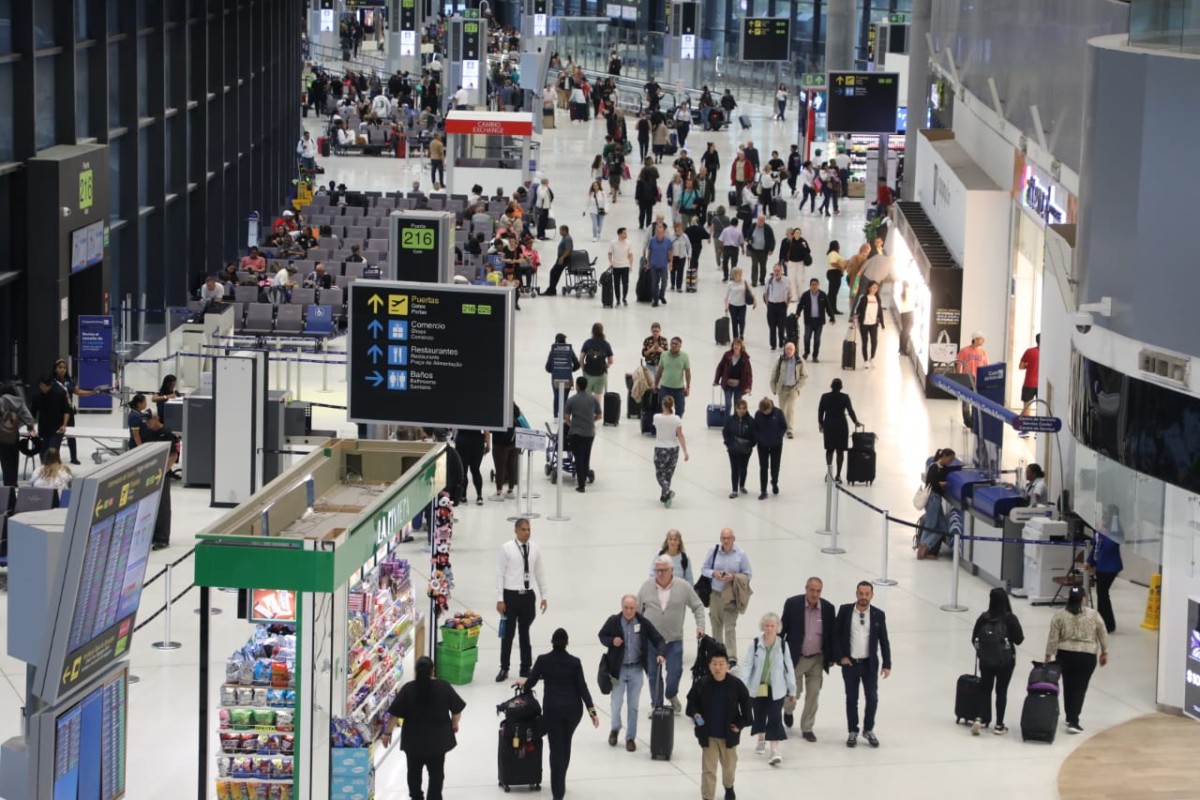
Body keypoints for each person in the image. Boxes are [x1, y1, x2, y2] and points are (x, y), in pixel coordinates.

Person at [518, 629, 600, 800]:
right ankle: (561, 779)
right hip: (573, 711)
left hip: (552, 711)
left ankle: (558, 791)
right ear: (567, 642)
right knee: (565, 744)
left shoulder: (543, 660)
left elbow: (531, 682)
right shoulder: (574, 662)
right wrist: (592, 711)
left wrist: (522, 684)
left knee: (556, 750)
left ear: (552, 642)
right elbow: (582, 688)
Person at [380, 655, 466, 800]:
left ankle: (416, 797)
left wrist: (387, 734)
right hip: (437, 741)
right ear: (433, 670)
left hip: (413, 741)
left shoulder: (408, 689)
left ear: (416, 671)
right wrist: (454, 723)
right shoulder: (443, 686)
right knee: (436, 774)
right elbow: (457, 710)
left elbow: (394, 715)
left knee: (413, 772)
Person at [599, 595, 666, 752]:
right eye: (626, 608)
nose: (628, 611)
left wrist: (661, 653)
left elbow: (659, 639)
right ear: (622, 607)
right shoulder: (614, 621)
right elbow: (602, 635)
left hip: (636, 669)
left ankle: (630, 737)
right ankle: (615, 728)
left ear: (636, 608)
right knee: (616, 702)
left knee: (633, 705)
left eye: (632, 608)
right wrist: (611, 641)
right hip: (618, 670)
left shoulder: (642, 623)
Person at [685, 644, 752, 800]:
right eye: (714, 664)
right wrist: (696, 715)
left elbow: (748, 711)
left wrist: (740, 724)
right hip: (709, 736)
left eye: (721, 664)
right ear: (709, 665)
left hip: (728, 735)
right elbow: (691, 704)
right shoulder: (702, 683)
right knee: (709, 770)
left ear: (728, 666)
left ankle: (729, 787)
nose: (717, 667)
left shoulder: (736, 685)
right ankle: (708, 796)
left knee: (729, 767)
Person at [639, 557, 705, 710]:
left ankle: (671, 694)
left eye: (663, 570)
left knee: (674, 673)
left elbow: (698, 606)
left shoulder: (683, 587)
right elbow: (637, 610)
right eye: (657, 570)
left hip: (674, 639)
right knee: (653, 675)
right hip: (652, 640)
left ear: (672, 570)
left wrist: (700, 625)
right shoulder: (646, 586)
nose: (660, 573)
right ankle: (657, 706)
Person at [834, 581, 892, 748]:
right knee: (852, 699)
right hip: (850, 664)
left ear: (872, 595)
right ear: (856, 593)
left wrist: (887, 664)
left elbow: (884, 640)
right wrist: (841, 657)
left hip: (869, 665)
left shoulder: (878, 615)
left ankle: (868, 729)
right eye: (861, 593)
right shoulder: (845, 611)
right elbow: (836, 636)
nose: (864, 597)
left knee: (872, 698)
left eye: (867, 594)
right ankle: (853, 730)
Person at [1045, 587, 1109, 734]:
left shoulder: (1059, 615)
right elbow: (1102, 632)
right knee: (1080, 687)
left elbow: (1053, 637)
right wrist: (1105, 652)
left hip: (1065, 655)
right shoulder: (1093, 615)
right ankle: (1074, 721)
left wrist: (1048, 655)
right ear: (1083, 599)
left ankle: (1069, 715)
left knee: (1068, 685)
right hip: (1086, 656)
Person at [780, 577, 836, 739]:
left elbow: (831, 635)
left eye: (818, 591)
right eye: (812, 590)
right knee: (792, 695)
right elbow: (783, 629)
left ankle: (807, 728)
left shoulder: (827, 608)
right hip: (797, 659)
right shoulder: (793, 604)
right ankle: (788, 711)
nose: (815, 594)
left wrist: (831, 657)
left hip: (817, 660)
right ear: (806, 589)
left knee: (813, 694)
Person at [495, 518, 550, 682]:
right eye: (523, 530)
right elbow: (499, 574)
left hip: (528, 595)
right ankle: (504, 667)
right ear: (516, 531)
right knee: (508, 634)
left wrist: (543, 595)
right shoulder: (506, 549)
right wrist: (500, 598)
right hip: (510, 595)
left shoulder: (534, 548)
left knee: (524, 632)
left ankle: (526, 667)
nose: (527, 532)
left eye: (529, 529)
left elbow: (539, 571)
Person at [738, 613, 795, 766]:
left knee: (775, 717)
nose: (769, 629)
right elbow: (747, 664)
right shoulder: (756, 643)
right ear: (763, 627)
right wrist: (742, 686)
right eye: (767, 626)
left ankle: (774, 750)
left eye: (772, 626)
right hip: (758, 687)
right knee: (760, 714)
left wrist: (792, 690)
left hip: (777, 689)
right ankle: (761, 738)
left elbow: (788, 668)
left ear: (777, 628)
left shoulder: (783, 645)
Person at [970, 587, 1026, 736]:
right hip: (1005, 661)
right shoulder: (1010, 618)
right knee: (1001, 691)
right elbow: (1019, 639)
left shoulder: (983, 618)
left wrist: (983, 653)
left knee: (985, 688)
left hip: (986, 660)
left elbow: (974, 639)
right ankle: (999, 725)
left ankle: (980, 718)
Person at [701, 528, 752, 660]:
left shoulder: (741, 554)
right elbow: (704, 569)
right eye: (723, 538)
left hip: (731, 596)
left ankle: (731, 657)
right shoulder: (714, 551)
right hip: (715, 594)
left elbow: (748, 574)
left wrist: (734, 577)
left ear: (733, 539)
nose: (726, 541)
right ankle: (718, 654)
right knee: (716, 624)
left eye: (728, 538)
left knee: (730, 627)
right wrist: (714, 573)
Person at [52, 358, 97, 465]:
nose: (62, 370)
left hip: (69, 411)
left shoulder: (70, 380)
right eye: (60, 368)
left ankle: (74, 457)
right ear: (55, 369)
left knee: (72, 435)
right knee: (58, 436)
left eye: (64, 368)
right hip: (58, 413)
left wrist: (92, 392)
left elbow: (78, 391)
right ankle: (55, 458)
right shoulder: (52, 382)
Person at [1088, 505, 1124, 633]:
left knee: (1103, 594)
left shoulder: (1116, 529)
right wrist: (1089, 561)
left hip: (1110, 567)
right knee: (1101, 594)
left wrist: (1104, 533)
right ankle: (1103, 622)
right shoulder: (1102, 527)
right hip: (1101, 565)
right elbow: (1095, 545)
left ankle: (1108, 624)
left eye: (1107, 513)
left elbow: (1111, 546)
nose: (1105, 516)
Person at [562, 376, 601, 494]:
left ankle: (581, 485)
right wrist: (590, 421)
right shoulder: (593, 399)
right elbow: (599, 415)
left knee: (578, 458)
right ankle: (584, 478)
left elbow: (566, 417)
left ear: (577, 386)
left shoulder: (572, 400)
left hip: (577, 433)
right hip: (589, 433)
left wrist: (572, 424)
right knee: (586, 457)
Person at [817, 379, 860, 483]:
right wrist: (855, 421)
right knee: (840, 451)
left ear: (831, 386)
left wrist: (821, 423)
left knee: (829, 450)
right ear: (841, 387)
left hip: (829, 424)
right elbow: (850, 411)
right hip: (841, 425)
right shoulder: (845, 397)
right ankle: (838, 475)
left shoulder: (825, 397)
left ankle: (829, 473)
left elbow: (820, 411)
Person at [917, 448, 957, 559]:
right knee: (930, 525)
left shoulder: (942, 468)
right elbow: (932, 483)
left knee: (943, 527)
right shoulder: (934, 467)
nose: (951, 461)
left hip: (936, 499)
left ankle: (925, 546)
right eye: (950, 459)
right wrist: (942, 484)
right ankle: (923, 547)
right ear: (943, 456)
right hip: (933, 499)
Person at [651, 395, 689, 506]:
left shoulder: (657, 417)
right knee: (668, 474)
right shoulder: (677, 419)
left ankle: (667, 490)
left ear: (663, 405)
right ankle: (664, 496)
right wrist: (685, 451)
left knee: (660, 474)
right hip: (673, 449)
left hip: (660, 448)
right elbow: (680, 435)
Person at [0, 382, 36, 487]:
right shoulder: (19, 401)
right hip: (14, 434)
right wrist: (30, 427)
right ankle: (14, 482)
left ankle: (8, 484)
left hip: (2, 436)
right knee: (14, 459)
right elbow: (29, 418)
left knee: (5, 461)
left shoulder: (1, 400)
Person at [752, 397, 787, 500]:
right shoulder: (758, 414)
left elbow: (784, 427)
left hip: (776, 444)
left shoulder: (778, 413)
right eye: (763, 411)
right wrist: (759, 438)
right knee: (763, 467)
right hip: (762, 445)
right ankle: (763, 490)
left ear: (771, 407)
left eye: (767, 410)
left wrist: (778, 436)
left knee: (775, 466)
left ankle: (774, 481)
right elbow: (755, 428)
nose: (765, 413)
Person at [769, 342, 807, 438]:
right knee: (782, 410)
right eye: (787, 349)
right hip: (782, 389)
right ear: (785, 350)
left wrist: (798, 386)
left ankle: (789, 429)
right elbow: (774, 373)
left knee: (790, 408)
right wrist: (773, 387)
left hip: (793, 389)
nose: (789, 351)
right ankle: (782, 427)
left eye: (791, 349)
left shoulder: (799, 361)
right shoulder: (780, 360)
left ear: (794, 351)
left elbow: (804, 376)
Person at [29, 375, 70, 456]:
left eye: (44, 386)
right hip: (43, 428)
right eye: (40, 386)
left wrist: (64, 425)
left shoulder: (60, 393)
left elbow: (66, 411)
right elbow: (32, 413)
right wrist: (31, 427)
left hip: (57, 428)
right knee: (43, 452)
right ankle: (45, 468)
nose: (42, 388)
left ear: (49, 386)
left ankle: (53, 468)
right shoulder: (37, 396)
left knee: (53, 451)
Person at [722, 399, 755, 499]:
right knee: (734, 469)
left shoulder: (750, 421)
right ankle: (734, 490)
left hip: (746, 449)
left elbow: (754, 435)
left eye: (744, 408)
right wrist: (729, 444)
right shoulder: (730, 420)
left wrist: (750, 445)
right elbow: (725, 432)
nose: (741, 410)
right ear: (736, 408)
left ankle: (742, 485)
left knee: (743, 468)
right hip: (733, 449)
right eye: (739, 408)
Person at [489, 404, 523, 500]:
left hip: (500, 442)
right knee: (512, 466)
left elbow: (491, 427)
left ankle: (499, 492)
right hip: (514, 440)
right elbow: (519, 414)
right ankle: (510, 490)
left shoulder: (497, 405)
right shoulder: (511, 403)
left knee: (500, 467)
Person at [713, 338, 753, 416]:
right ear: (732, 346)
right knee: (728, 405)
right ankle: (727, 424)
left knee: (737, 406)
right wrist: (716, 380)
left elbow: (748, 374)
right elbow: (720, 367)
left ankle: (736, 423)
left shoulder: (744, 358)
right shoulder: (727, 355)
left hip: (739, 386)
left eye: (738, 345)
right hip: (727, 385)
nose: (736, 347)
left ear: (741, 346)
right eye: (735, 345)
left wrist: (748, 387)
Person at [797, 278, 834, 362]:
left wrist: (832, 317)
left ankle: (815, 356)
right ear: (810, 286)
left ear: (818, 285)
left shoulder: (823, 295)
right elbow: (800, 305)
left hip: (819, 321)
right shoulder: (805, 295)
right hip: (809, 321)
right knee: (807, 337)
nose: (814, 286)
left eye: (815, 284)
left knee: (817, 339)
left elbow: (828, 306)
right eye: (812, 284)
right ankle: (806, 352)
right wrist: (797, 314)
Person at [655, 337, 691, 418]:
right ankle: (664, 427)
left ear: (680, 346)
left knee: (680, 409)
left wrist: (688, 386)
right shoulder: (664, 355)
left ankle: (675, 427)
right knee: (663, 409)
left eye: (676, 344)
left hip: (679, 389)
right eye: (672, 343)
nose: (673, 345)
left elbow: (687, 372)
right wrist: (655, 384)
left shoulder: (684, 356)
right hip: (665, 387)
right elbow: (659, 371)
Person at [852, 280, 885, 369]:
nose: (875, 289)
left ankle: (872, 358)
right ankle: (866, 360)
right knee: (865, 342)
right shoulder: (863, 298)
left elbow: (880, 311)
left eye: (876, 288)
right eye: (873, 287)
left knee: (874, 341)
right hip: (864, 323)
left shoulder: (877, 299)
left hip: (874, 323)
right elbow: (858, 309)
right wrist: (855, 316)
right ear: (869, 288)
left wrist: (882, 323)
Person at [762, 263, 794, 352]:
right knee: (772, 326)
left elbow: (790, 295)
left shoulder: (787, 281)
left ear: (781, 271)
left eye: (778, 271)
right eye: (775, 271)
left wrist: (786, 304)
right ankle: (773, 344)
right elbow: (765, 293)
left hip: (782, 306)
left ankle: (781, 341)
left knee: (781, 326)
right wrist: (768, 304)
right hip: (771, 305)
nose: (776, 272)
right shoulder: (769, 280)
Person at [454, 428, 489, 505]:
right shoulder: (482, 416)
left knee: (463, 471)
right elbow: (486, 430)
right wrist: (488, 444)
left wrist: (454, 438)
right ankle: (479, 496)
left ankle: (463, 497)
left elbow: (454, 428)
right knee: (475, 470)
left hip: (462, 440)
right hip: (477, 441)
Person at [579, 322, 614, 399]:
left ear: (592, 331)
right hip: (601, 374)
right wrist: (607, 365)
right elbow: (611, 360)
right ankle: (597, 411)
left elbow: (581, 358)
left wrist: (583, 368)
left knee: (587, 398)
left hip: (588, 373)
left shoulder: (587, 343)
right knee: (598, 398)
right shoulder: (606, 344)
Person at [723, 267, 754, 341]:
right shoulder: (730, 284)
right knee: (734, 321)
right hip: (732, 306)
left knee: (742, 320)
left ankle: (741, 334)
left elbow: (751, 291)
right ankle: (735, 337)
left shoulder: (744, 282)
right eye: (738, 274)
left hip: (742, 305)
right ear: (734, 275)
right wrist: (725, 306)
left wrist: (755, 300)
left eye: (741, 274)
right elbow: (726, 296)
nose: (740, 275)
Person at [645, 223, 672, 307]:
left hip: (663, 265)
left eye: (661, 232)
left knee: (664, 281)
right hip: (654, 265)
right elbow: (649, 252)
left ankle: (661, 295)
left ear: (664, 232)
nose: (660, 234)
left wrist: (670, 262)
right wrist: (648, 262)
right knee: (654, 283)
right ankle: (655, 300)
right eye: (658, 232)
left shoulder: (668, 241)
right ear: (656, 232)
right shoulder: (652, 240)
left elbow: (670, 252)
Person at [746, 214, 776, 288]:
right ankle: (754, 281)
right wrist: (749, 240)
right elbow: (748, 235)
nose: (760, 221)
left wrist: (771, 249)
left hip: (763, 251)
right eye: (759, 220)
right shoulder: (753, 226)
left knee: (763, 266)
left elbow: (772, 240)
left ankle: (762, 279)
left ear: (764, 220)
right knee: (754, 265)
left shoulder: (768, 228)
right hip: (754, 250)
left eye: (762, 220)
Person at [543, 225, 574, 296]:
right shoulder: (565, 238)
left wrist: (562, 257)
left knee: (554, 272)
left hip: (563, 258)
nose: (559, 232)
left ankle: (551, 290)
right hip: (561, 257)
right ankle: (552, 289)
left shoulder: (567, 239)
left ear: (564, 231)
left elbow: (568, 250)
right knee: (554, 272)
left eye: (560, 230)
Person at [607, 227, 635, 305]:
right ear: (619, 234)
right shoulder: (613, 243)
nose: (626, 234)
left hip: (625, 266)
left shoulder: (629, 243)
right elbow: (609, 253)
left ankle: (624, 298)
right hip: (616, 266)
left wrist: (631, 265)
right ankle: (618, 299)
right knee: (616, 284)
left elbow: (630, 255)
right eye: (624, 233)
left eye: (626, 233)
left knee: (625, 283)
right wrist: (610, 262)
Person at [717, 213, 744, 283]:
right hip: (735, 249)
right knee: (734, 264)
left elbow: (720, 240)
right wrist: (743, 249)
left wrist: (720, 248)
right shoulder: (739, 231)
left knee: (725, 262)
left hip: (726, 248)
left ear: (730, 223)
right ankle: (732, 277)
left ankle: (725, 277)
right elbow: (741, 242)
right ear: (737, 224)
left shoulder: (725, 230)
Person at [826, 241, 847, 317]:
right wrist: (841, 267)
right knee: (833, 292)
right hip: (834, 273)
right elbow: (833, 263)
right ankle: (833, 309)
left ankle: (829, 307)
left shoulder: (833, 253)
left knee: (832, 292)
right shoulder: (833, 254)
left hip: (833, 273)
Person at [1019, 334, 1040, 411]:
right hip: (1041, 384)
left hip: (1029, 383)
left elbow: (1021, 366)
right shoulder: (1047, 353)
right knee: (1041, 407)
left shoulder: (1029, 351)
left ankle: (1027, 422)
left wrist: (1029, 366)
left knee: (1027, 406)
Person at [896, 281, 915, 356]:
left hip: (903, 312)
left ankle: (901, 348)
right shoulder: (910, 291)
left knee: (904, 331)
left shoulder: (902, 292)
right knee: (907, 331)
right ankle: (904, 349)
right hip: (910, 312)